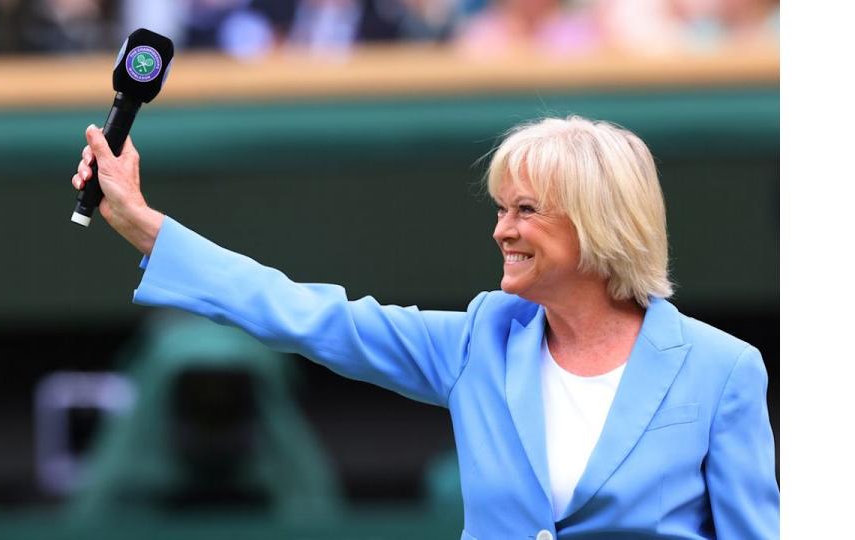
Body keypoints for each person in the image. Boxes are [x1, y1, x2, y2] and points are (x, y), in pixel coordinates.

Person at [70, 115, 779, 538]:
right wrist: (143, 224)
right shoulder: (480, 339)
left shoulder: (723, 370)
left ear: (597, 221)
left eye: (524, 210)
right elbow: (306, 314)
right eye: (500, 210)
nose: (502, 230)